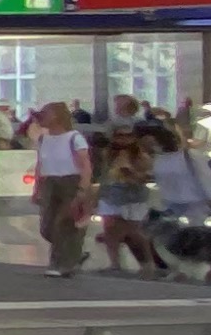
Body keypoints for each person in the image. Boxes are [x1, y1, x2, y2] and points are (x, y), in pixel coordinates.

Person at [91, 124, 166, 278]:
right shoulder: (108, 154)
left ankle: (149, 264)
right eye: (119, 135)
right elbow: (103, 176)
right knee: (109, 229)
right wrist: (95, 196)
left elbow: (147, 176)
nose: (123, 139)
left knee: (134, 232)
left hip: (133, 197)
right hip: (110, 195)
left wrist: (131, 173)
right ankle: (114, 264)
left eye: (127, 136)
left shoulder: (141, 156)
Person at [27, 100, 90, 275]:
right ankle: (73, 253)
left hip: (70, 181)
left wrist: (83, 188)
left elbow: (85, 165)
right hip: (49, 181)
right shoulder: (44, 139)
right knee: (47, 226)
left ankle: (59, 264)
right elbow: (41, 164)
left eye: (46, 113)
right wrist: (37, 187)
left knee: (63, 223)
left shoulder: (74, 138)